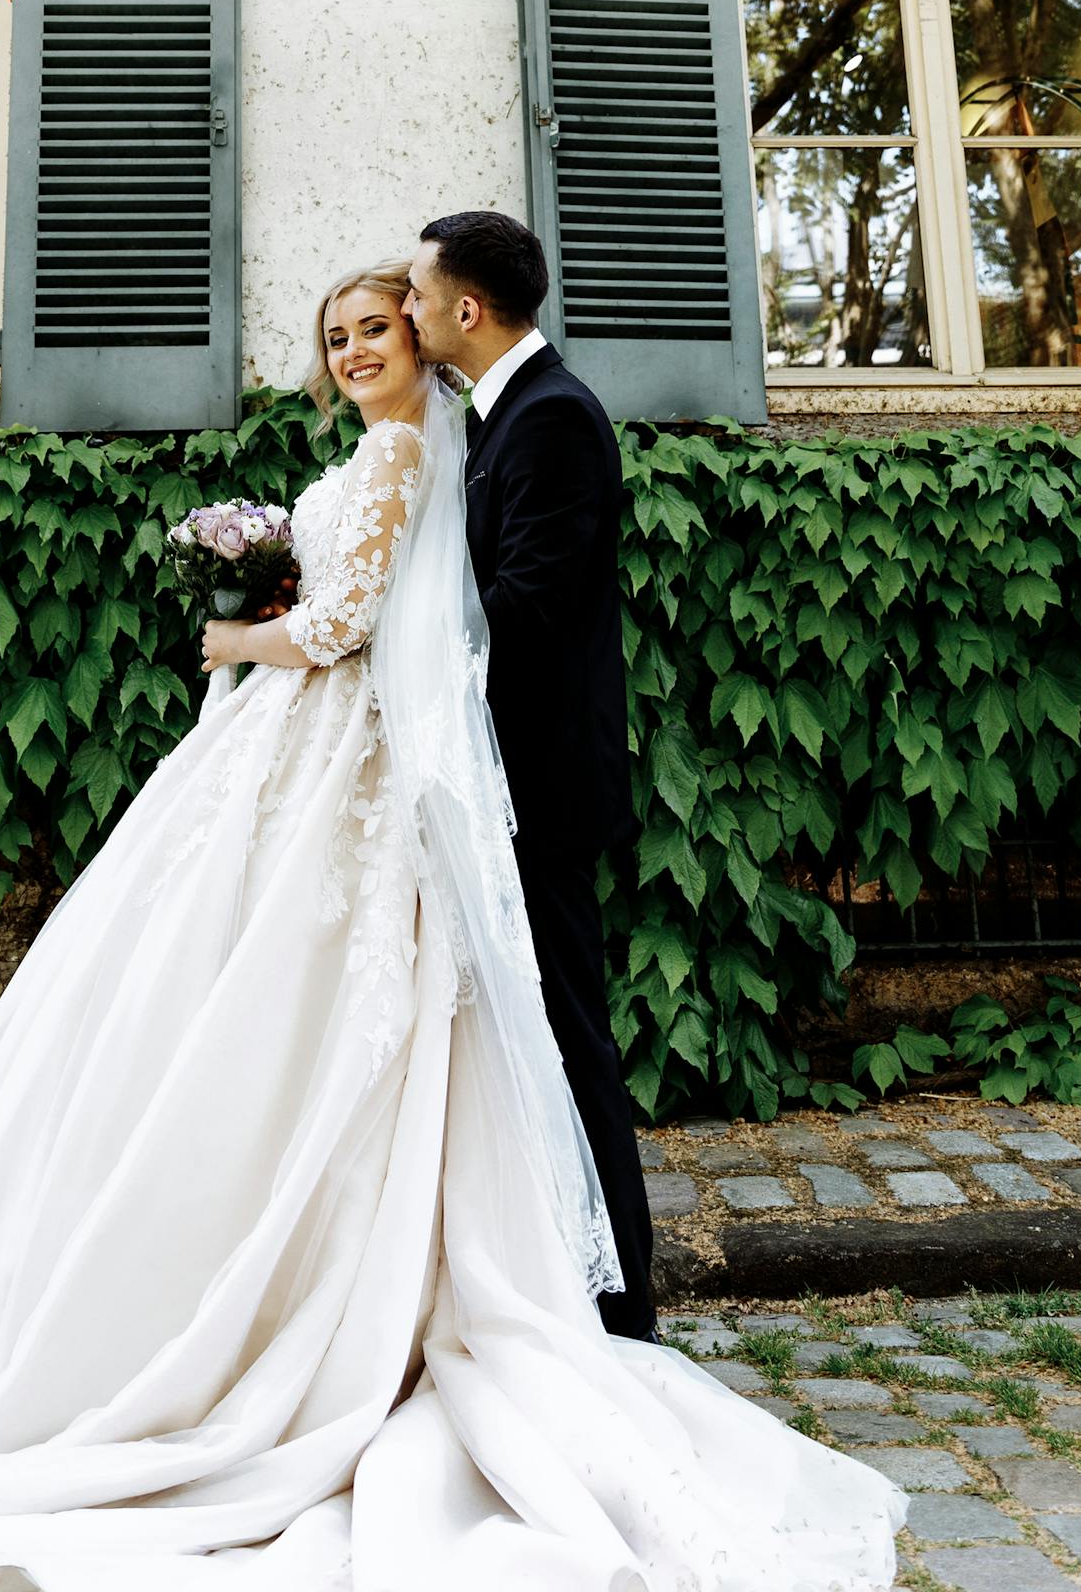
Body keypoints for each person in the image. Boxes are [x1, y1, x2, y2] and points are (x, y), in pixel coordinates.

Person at [0, 260, 903, 1592]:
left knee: (317, 1015)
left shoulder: (420, 453)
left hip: (339, 757)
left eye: (380, 324)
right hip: (306, 761)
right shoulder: (406, 447)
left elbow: (351, 624)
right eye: (340, 335)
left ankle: (394, 1316)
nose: (361, 345)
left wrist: (234, 641)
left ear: (435, 332)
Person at [404, 209, 654, 1338]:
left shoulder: (553, 421)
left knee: (566, 1032)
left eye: (415, 296)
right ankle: (547, 1283)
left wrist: (390, 664)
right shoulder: (496, 417)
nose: (405, 315)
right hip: (494, 778)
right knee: (524, 1032)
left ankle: (624, 1306)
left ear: (466, 309)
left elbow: (526, 612)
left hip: (540, 789)